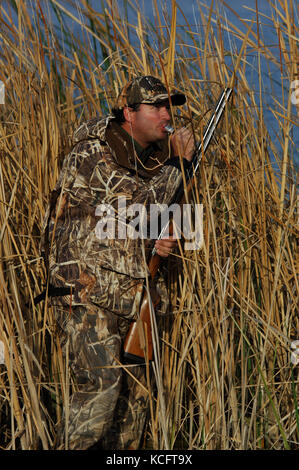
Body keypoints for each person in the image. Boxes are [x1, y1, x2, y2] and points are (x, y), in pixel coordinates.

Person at [41, 75, 195, 450]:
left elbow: (152, 222)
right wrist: (180, 163)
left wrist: (165, 242)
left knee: (134, 402)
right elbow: (136, 204)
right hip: (86, 291)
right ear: (129, 113)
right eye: (155, 107)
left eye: (168, 107)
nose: (165, 114)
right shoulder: (91, 151)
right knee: (102, 387)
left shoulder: (152, 158)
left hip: (131, 293)